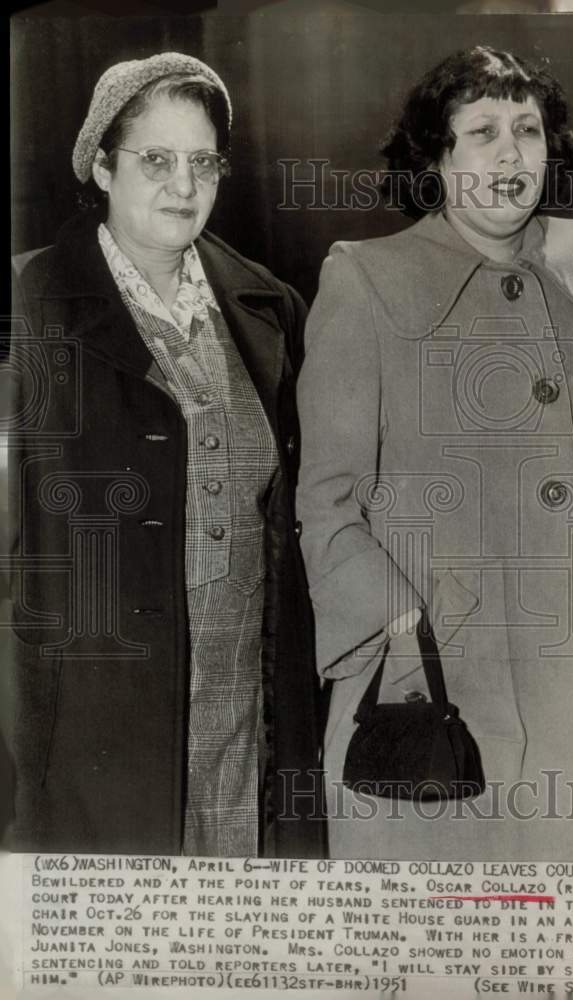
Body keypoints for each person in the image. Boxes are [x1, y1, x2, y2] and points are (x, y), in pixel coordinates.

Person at [296, 46, 573, 861]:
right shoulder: (366, 280)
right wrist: (396, 627)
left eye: (528, 129)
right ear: (435, 158)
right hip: (435, 682)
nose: (512, 153)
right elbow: (328, 500)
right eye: (481, 131)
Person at [9, 52, 324, 857]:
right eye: (155, 159)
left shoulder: (269, 307)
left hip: (246, 715)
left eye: (202, 162)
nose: (183, 186)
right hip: (91, 724)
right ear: (102, 168)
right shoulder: (27, 310)